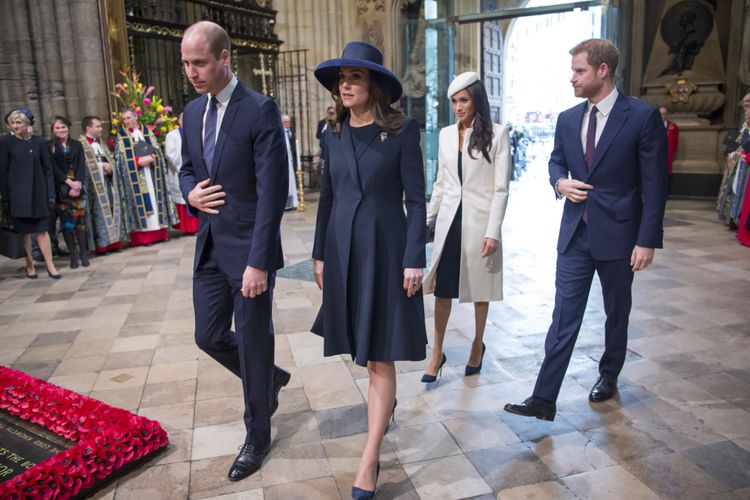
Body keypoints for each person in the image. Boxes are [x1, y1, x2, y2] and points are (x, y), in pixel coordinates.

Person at [504, 39, 668, 421]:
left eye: (579, 71)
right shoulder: (566, 119)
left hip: (620, 235)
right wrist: (559, 182)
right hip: (576, 233)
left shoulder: (641, 117)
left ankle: (608, 374)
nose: (572, 78)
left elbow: (655, 184)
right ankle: (544, 398)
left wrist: (647, 239)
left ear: (602, 71)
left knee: (616, 312)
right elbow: (556, 162)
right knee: (563, 315)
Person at [311, 41, 427, 499]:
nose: (345, 85)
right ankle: (385, 408)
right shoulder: (330, 131)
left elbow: (415, 200)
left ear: (374, 85)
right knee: (359, 346)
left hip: (385, 251)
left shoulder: (401, 132)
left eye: (354, 77)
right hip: (342, 252)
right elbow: (328, 198)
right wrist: (320, 254)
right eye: (341, 78)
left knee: (380, 353)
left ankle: (369, 458)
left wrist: (414, 257)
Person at [179, 20, 291, 482]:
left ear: (224, 58)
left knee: (252, 340)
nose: (192, 72)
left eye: (199, 62)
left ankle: (257, 437)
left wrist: (259, 261)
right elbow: (187, 170)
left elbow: (272, 191)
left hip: (248, 252)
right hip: (209, 248)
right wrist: (189, 195)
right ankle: (269, 378)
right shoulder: (190, 114)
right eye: (186, 63)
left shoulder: (259, 110)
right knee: (208, 335)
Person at [421, 72, 511, 382]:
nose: (458, 107)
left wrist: (493, 230)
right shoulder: (446, 134)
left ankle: (477, 345)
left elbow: (501, 189)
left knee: (480, 290)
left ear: (476, 100)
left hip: (479, 223)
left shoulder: (498, 135)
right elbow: (441, 183)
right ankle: (437, 352)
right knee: (442, 291)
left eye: (464, 100)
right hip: (449, 222)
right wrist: (427, 221)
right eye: (454, 102)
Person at [0, 109, 61, 279]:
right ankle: (29, 264)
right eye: (12, 123)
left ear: (27, 124)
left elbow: (48, 170)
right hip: (17, 195)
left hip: (38, 192)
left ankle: (50, 265)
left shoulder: (39, 143)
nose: (15, 126)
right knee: (24, 232)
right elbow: (3, 171)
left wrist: (51, 194)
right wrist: (5, 198)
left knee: (43, 230)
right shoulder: (5, 143)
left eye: (19, 123)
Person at [113, 108, 176, 246]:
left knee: (154, 200)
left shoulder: (148, 133)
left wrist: (153, 158)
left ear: (136, 117)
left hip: (152, 174)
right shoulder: (121, 137)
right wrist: (137, 162)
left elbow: (158, 151)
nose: (127, 121)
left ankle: (159, 234)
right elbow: (120, 159)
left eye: (129, 117)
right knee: (142, 203)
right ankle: (143, 238)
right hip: (136, 176)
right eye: (124, 119)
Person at [80, 115, 127, 254]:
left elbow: (111, 159)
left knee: (112, 209)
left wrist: (111, 167)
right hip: (94, 188)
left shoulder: (101, 143)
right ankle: (102, 245)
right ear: (89, 128)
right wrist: (101, 167)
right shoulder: (81, 144)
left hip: (107, 182)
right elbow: (83, 166)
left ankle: (114, 243)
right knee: (98, 214)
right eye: (98, 126)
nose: (101, 129)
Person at [49, 116, 89, 269]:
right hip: (62, 189)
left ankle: (83, 254)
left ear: (68, 127)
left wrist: (78, 183)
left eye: (63, 127)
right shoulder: (50, 146)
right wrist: (69, 182)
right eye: (57, 128)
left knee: (80, 222)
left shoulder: (77, 144)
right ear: (53, 130)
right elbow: (54, 168)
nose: (61, 130)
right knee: (67, 223)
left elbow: (81, 164)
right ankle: (73, 254)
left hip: (77, 189)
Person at [165, 112, 198, 234]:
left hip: (197, 173)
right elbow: (170, 154)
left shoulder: (196, 132)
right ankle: (189, 228)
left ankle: (198, 226)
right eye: (182, 119)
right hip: (179, 171)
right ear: (178, 121)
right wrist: (186, 167)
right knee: (185, 198)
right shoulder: (172, 135)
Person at [281, 114, 299, 210]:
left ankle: (293, 203)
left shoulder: (291, 132)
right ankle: (286, 204)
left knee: (292, 184)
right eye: (285, 122)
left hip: (291, 161)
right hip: (284, 162)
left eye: (289, 122)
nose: (288, 124)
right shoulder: (281, 133)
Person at [659, 106, 679, 179]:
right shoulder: (653, 125)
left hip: (668, 150)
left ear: (667, 114)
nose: (662, 116)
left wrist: (673, 149)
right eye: (661, 114)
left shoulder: (672, 126)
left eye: (664, 113)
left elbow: (675, 138)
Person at [315, 106, 336, 170]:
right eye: (330, 113)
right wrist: (324, 131)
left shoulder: (337, 122)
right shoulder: (322, 122)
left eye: (333, 113)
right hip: (324, 149)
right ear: (327, 113)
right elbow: (317, 135)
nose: (331, 114)